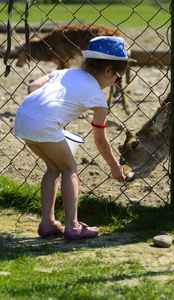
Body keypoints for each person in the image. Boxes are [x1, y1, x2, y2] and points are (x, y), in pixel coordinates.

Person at [14, 36, 136, 239]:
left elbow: (33, 88)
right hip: (45, 125)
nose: (116, 82)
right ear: (108, 71)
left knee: (53, 168)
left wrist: (54, 105)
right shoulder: (98, 97)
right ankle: (73, 226)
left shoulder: (64, 73)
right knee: (69, 168)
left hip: (24, 119)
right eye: (117, 78)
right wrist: (115, 166)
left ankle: (48, 223)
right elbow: (100, 140)